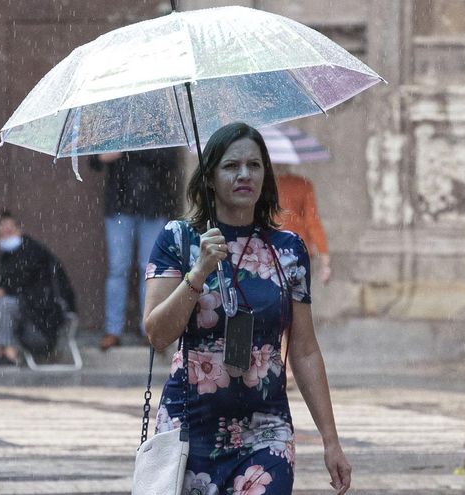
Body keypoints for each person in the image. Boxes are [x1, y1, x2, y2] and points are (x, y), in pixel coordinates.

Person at [144, 123, 351, 494]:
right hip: (190, 428)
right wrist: (199, 271)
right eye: (231, 166)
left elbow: (303, 349)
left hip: (266, 430)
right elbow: (157, 333)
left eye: (254, 166)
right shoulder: (178, 239)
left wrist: (330, 439)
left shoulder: (289, 249)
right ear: (209, 177)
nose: (245, 175)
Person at [90, 148, 180, 350]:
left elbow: (169, 159)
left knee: (150, 270)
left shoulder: (157, 124)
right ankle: (113, 330)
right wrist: (103, 156)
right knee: (118, 268)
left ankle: (149, 328)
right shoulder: (113, 124)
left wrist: (130, 149)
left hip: (153, 203)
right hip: (120, 203)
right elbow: (93, 161)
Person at [0, 212, 76, 366]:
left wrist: (6, 290)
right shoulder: (8, 256)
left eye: (9, 230)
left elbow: (28, 283)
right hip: (27, 314)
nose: (5, 235)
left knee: (4, 304)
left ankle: (10, 354)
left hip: (41, 322)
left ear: (19, 229)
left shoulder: (33, 252)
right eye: (2, 232)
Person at [275, 168, 332, 284]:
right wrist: (324, 258)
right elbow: (312, 223)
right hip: (297, 251)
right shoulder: (302, 185)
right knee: (297, 298)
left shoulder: (261, 187)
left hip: (269, 253)